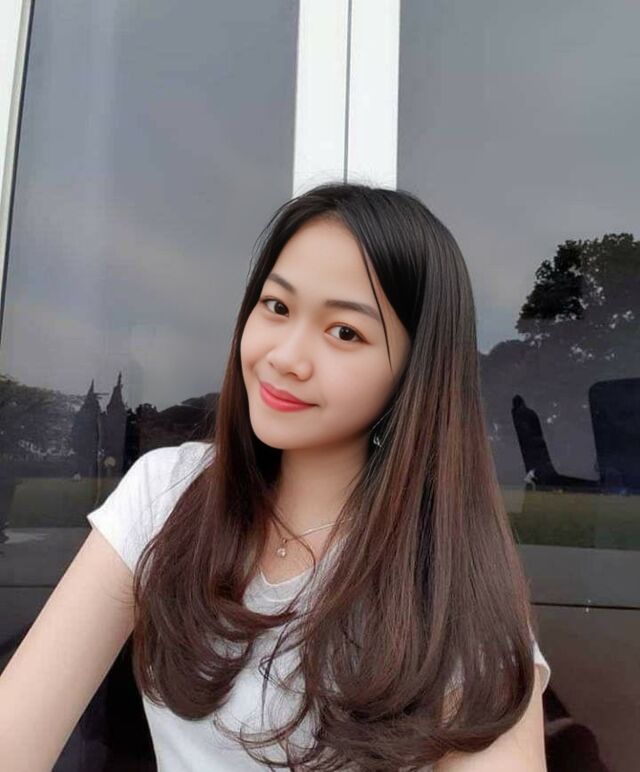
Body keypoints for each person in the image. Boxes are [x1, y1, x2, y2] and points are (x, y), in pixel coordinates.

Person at [0, 182, 551, 771]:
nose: (285, 356)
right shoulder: (165, 494)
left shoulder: (447, 576)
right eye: (278, 307)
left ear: (414, 373)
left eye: (345, 332)